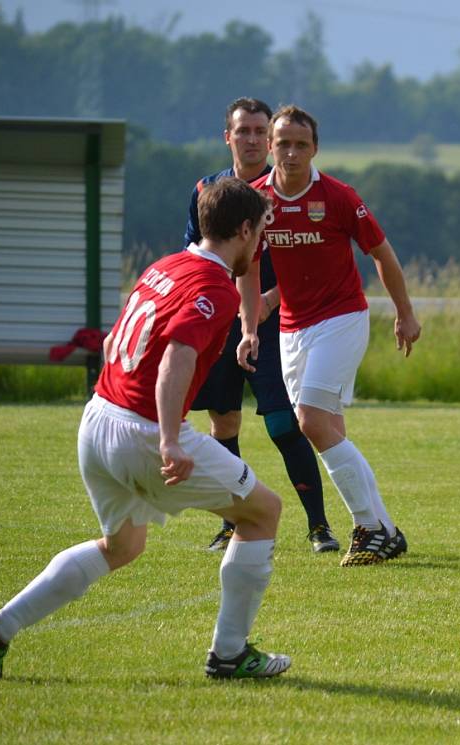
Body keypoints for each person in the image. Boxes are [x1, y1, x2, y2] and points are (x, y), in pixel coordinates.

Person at [0, 178, 291, 681]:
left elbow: (123, 336)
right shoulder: (215, 287)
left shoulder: (165, 265)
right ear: (244, 229)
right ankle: (229, 654)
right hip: (142, 430)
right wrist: (169, 439)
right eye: (262, 232)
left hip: (97, 418)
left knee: (122, 546)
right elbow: (175, 359)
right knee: (263, 511)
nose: (262, 244)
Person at [238, 104, 422, 567]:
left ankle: (370, 527)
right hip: (291, 329)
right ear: (271, 147)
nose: (292, 152)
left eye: (302, 144)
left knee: (311, 421)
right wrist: (248, 326)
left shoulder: (339, 197)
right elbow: (246, 269)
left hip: (342, 319)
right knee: (328, 429)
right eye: (284, 143)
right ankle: (385, 531)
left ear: (315, 148)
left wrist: (404, 313)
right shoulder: (257, 200)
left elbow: (382, 254)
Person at [184, 97, 337, 555]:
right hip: (221, 326)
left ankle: (319, 526)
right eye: (243, 131)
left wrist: (272, 299)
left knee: (283, 424)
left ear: (268, 142)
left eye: (258, 132)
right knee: (223, 421)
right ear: (227, 136)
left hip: (275, 326)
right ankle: (235, 521)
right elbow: (195, 257)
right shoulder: (206, 190)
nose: (251, 140)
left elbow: (314, 264)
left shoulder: (285, 193)